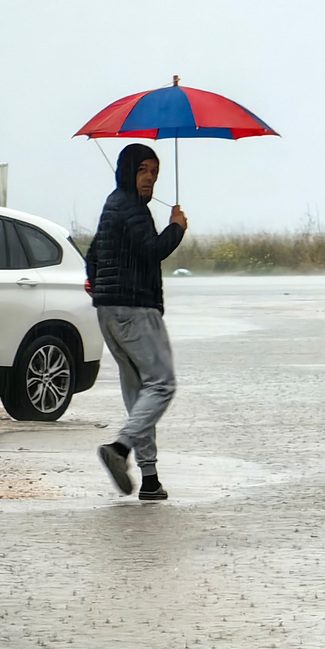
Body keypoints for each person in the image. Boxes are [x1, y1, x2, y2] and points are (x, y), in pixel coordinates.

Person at [87, 143, 188, 501]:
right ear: (128, 171)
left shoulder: (113, 204)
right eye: (144, 170)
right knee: (162, 384)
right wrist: (177, 228)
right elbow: (152, 251)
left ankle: (149, 479)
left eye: (155, 173)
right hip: (136, 309)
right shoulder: (131, 207)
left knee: (137, 393)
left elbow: (93, 253)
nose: (150, 179)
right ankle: (120, 449)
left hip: (108, 312)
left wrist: (96, 285)